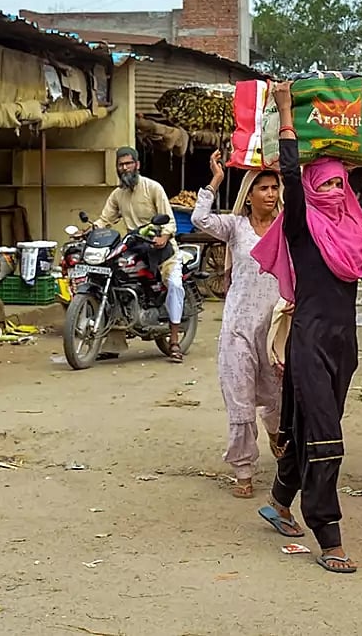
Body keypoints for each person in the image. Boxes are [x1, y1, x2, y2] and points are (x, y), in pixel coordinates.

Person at [252, 81, 362, 574]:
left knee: (307, 430)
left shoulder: (356, 232)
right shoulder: (301, 222)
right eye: (326, 184)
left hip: (344, 345)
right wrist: (284, 111)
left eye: (340, 183)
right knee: (327, 439)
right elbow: (292, 178)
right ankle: (329, 533)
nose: (334, 191)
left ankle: (278, 501)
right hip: (308, 341)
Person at [192, 151, 283, 498]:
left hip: (275, 329)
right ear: (249, 195)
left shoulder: (287, 226)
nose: (271, 194)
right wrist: (215, 180)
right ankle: (243, 469)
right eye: (263, 188)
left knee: (276, 397)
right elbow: (200, 218)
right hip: (238, 328)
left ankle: (276, 433)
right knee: (240, 399)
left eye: (275, 187)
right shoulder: (235, 227)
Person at [93, 146, 186, 362]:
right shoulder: (117, 194)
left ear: (137, 165)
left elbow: (169, 220)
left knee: (174, 284)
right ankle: (114, 341)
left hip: (162, 249)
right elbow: (104, 219)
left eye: (128, 163)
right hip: (135, 247)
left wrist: (163, 236)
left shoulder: (153, 188)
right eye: (120, 165)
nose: (124, 168)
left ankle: (174, 341)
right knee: (113, 278)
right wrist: (88, 231)